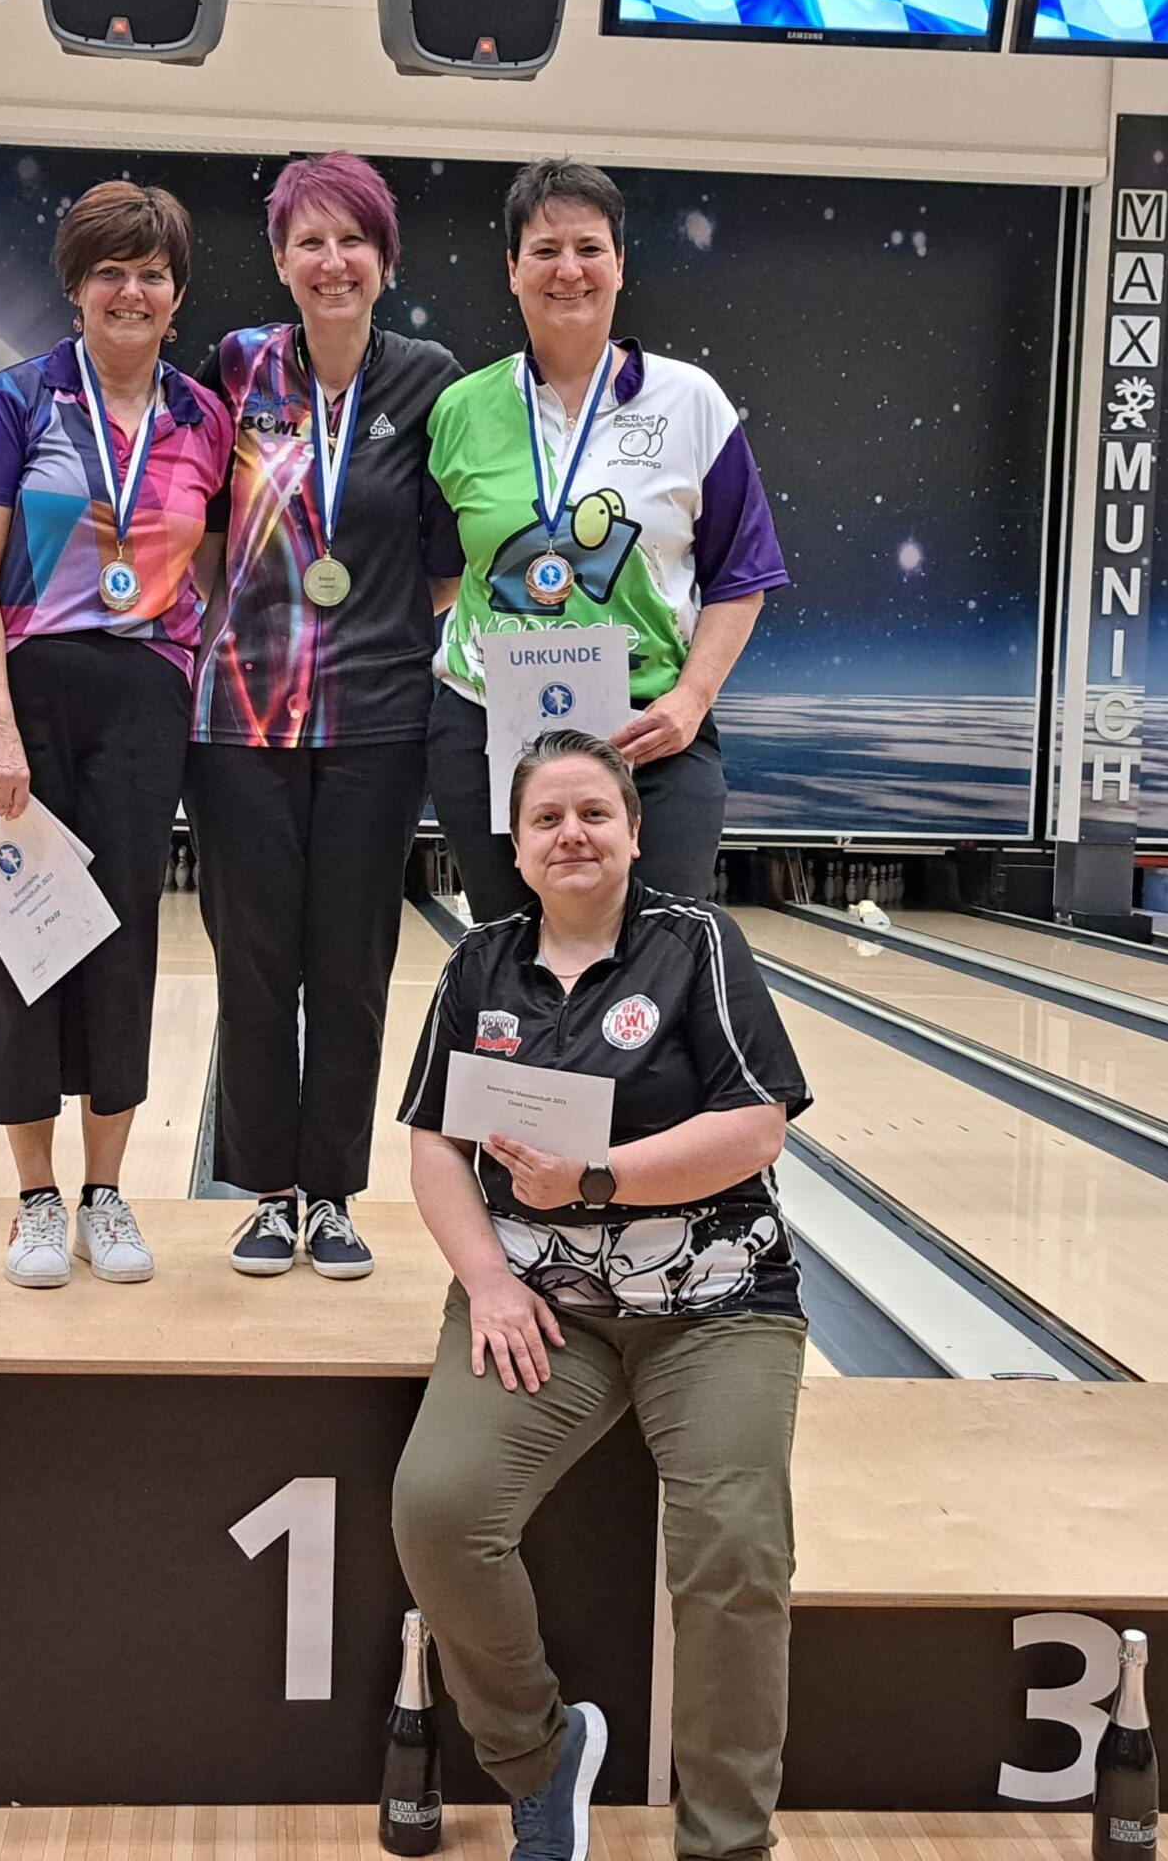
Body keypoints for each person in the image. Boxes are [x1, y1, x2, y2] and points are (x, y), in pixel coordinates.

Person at [390, 729, 811, 1861]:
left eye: (594, 815)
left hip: (716, 1303)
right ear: (516, 845)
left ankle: (726, 1841)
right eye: (547, 818)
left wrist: (596, 1178)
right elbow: (433, 1144)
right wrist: (486, 1280)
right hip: (544, 1305)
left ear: (632, 833)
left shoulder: (697, 944)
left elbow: (756, 1127)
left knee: (733, 1549)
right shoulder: (478, 966)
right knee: (440, 1510)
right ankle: (538, 1757)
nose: (571, 835)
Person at [0, 179, 233, 1289]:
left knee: (120, 941)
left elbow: (215, 576)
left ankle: (105, 1192)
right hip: (30, 693)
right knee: (26, 939)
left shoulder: (203, 420)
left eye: (151, 273)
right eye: (109, 271)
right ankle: (36, 1198)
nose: (131, 291)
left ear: (177, 294)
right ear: (76, 289)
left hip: (145, 699)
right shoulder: (18, 402)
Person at [189, 152, 464, 1281]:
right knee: (255, 965)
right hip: (240, 724)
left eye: (353, 239)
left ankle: (336, 1194)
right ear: (280, 259)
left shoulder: (431, 380)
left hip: (378, 718)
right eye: (310, 240)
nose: (332, 260)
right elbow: (203, 538)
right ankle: (267, 1191)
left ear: (385, 258)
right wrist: (253, 632)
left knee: (350, 967)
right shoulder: (237, 366)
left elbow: (443, 565)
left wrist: (364, 630)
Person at [425, 158, 789, 924]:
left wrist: (691, 700)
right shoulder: (460, 408)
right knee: (513, 960)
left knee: (657, 960)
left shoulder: (690, 402)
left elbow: (741, 575)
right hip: (490, 731)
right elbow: (438, 573)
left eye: (589, 248)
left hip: (649, 732)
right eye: (545, 250)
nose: (569, 270)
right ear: (513, 269)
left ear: (620, 265)